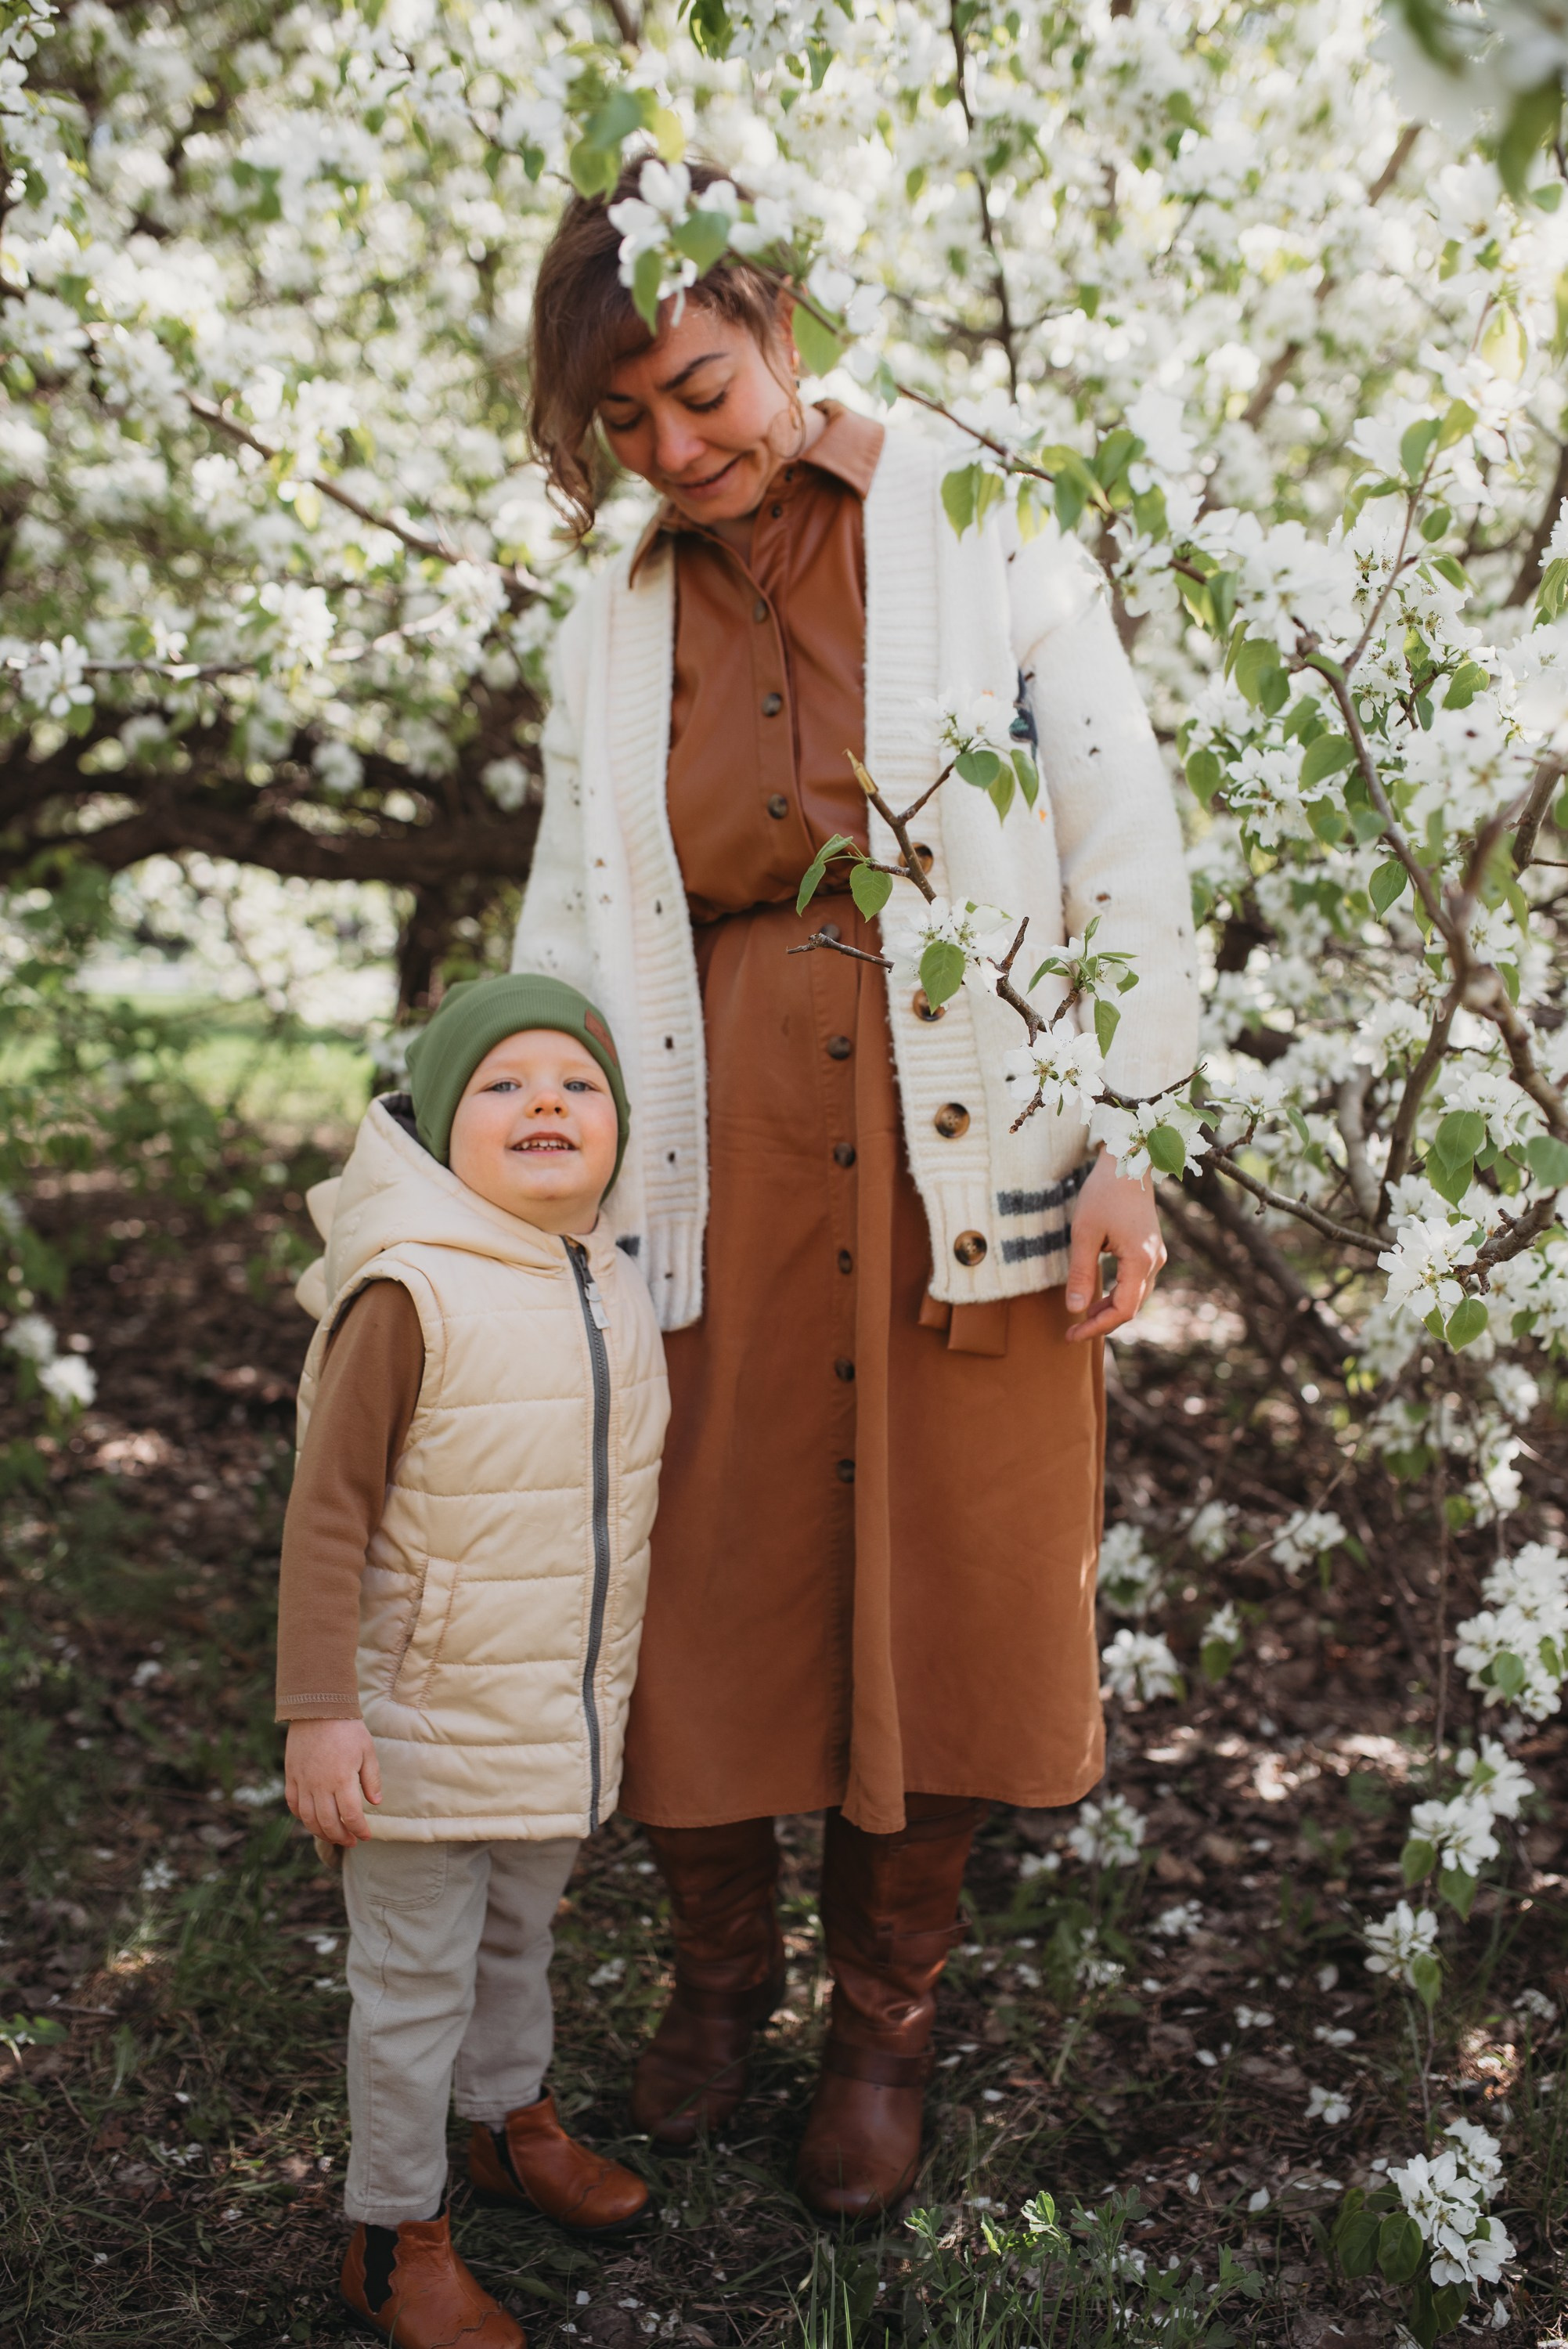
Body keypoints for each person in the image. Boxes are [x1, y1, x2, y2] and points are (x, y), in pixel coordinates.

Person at [516, 161, 1201, 2221]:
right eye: (620, 423)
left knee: (961, 1576)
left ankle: (879, 2027)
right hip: (704, 1123)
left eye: (698, 391)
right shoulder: (613, 610)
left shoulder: (975, 515)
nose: (671, 450)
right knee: (689, 1568)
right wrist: (539, 1161)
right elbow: (571, 899)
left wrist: (1126, 1133)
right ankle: (714, 1981)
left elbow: (1118, 833)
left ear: (781, 318)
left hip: (961, 1118)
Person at [276, 973, 669, 2349]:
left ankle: (508, 2123)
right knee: (413, 1986)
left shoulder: (613, 1283)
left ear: (622, 1128)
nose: (546, 1102)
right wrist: (322, 1710)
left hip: (546, 1720)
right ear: (445, 1131)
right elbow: (327, 1512)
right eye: (503, 1085)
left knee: (519, 1942)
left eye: (577, 1083)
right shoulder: (412, 1294)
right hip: (414, 1723)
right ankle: (394, 2232)